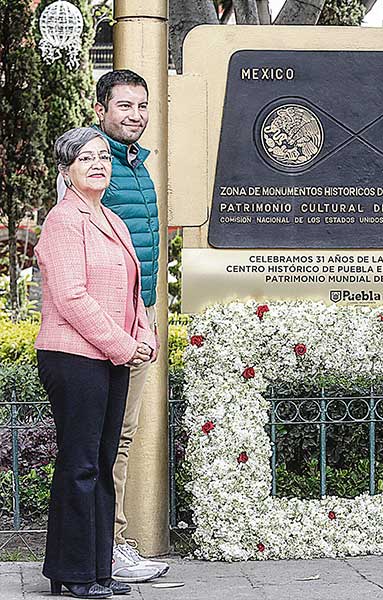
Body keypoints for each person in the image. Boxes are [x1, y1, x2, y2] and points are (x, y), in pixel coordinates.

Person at [36, 127, 158, 598]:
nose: (98, 164)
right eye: (85, 157)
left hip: (109, 356)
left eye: (103, 156)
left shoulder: (113, 219)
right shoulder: (62, 222)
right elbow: (71, 296)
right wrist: (124, 346)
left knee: (102, 464)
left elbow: (133, 292)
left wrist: (142, 334)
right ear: (67, 169)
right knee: (81, 464)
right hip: (73, 356)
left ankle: (97, 569)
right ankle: (72, 573)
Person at [93, 69, 168, 582]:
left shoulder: (137, 166)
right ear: (101, 110)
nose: (135, 115)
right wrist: (120, 331)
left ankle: (109, 545)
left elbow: (144, 256)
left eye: (142, 106)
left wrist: (148, 320)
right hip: (103, 331)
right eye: (124, 106)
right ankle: (107, 548)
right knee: (103, 443)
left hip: (134, 322)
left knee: (120, 438)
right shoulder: (94, 164)